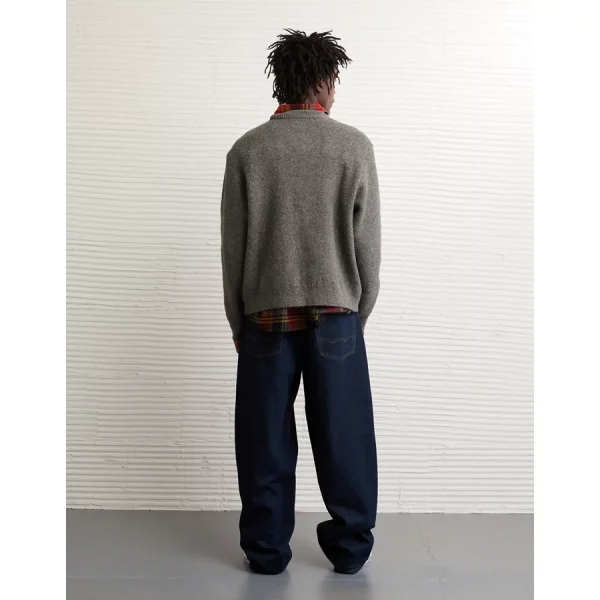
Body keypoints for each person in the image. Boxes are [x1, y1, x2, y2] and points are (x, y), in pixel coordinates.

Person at [220, 29, 381, 576]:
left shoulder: (247, 151)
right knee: (345, 437)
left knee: (263, 439)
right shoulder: (353, 146)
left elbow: (234, 250)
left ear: (281, 82)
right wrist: (356, 313)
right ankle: (350, 549)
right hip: (337, 318)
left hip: (264, 318)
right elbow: (368, 249)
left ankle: (266, 551)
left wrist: (239, 323)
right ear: (324, 81)